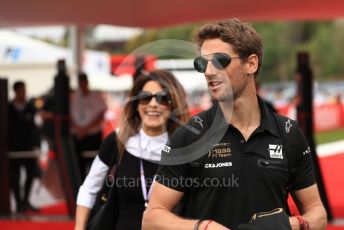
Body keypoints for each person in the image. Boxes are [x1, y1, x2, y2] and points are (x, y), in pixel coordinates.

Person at [143, 19, 327, 230]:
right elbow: (151, 219)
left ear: (251, 64)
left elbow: (318, 213)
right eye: (202, 63)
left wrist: (290, 225)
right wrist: (205, 227)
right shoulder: (190, 135)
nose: (209, 72)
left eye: (220, 61)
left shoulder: (288, 133)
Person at [75, 69, 190, 229]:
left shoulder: (187, 148)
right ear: (136, 104)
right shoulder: (117, 141)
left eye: (162, 98)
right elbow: (88, 189)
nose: (153, 104)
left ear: (174, 105)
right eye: (145, 98)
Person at [8, 81, 41, 213]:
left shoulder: (30, 107)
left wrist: (36, 144)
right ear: (16, 91)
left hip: (28, 147)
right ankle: (18, 202)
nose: (24, 93)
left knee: (30, 174)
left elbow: (35, 126)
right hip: (13, 148)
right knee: (14, 177)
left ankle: (26, 200)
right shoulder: (8, 108)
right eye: (22, 90)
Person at [70, 72, 107, 178]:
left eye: (83, 81)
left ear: (87, 82)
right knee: (78, 164)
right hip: (78, 135)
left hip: (93, 135)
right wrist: (79, 129)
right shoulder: (74, 97)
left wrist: (86, 129)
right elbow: (69, 116)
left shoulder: (96, 96)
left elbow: (101, 114)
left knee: (94, 164)